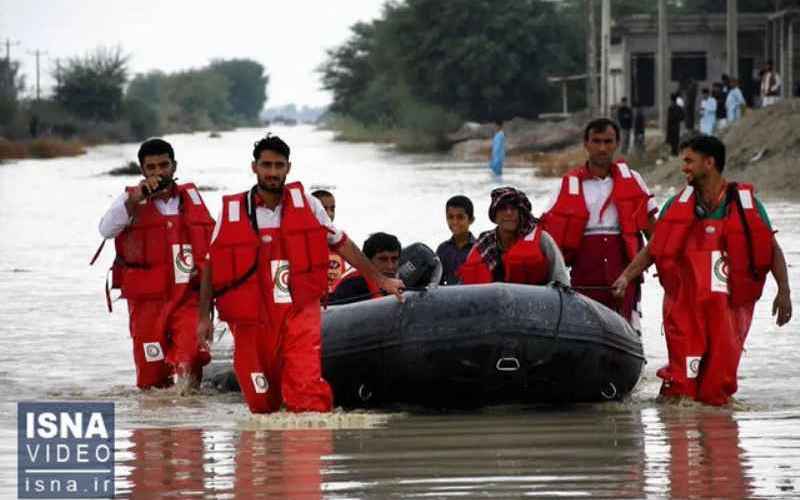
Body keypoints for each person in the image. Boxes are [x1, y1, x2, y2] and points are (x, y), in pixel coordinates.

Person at [197, 134, 404, 414]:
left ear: (288, 168)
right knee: (261, 403)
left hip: (299, 310)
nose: (272, 172)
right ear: (254, 167)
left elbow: (342, 243)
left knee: (306, 391)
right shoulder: (233, 211)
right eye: (266, 165)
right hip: (253, 319)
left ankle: (307, 451)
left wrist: (381, 280)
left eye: (278, 166)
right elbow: (211, 263)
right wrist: (203, 317)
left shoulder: (309, 205)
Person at [612, 135, 792, 406]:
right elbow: (654, 248)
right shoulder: (677, 205)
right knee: (681, 386)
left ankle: (718, 437)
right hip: (685, 307)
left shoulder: (746, 205)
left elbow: (773, 249)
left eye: (689, 161)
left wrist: (784, 292)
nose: (683, 167)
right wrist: (627, 276)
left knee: (716, 388)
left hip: (728, 309)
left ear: (709, 163)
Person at [97, 138, 215, 392]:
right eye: (151, 167)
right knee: (151, 380)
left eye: (164, 165)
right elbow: (105, 230)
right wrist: (135, 198)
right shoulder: (129, 202)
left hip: (187, 298)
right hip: (147, 304)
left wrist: (210, 309)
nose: (158, 172)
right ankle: (155, 428)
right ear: (142, 170)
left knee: (191, 358)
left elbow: (212, 248)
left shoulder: (191, 199)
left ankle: (190, 423)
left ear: (174, 167)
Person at [540, 118, 657, 326]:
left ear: (617, 143)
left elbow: (656, 237)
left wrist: (630, 276)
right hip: (583, 281)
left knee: (629, 334)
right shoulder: (566, 185)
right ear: (586, 144)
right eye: (596, 141)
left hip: (624, 277)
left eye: (608, 141)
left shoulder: (635, 180)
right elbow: (545, 241)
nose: (602, 148)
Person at [459, 186, 569, 286]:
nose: (508, 213)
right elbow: (464, 288)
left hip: (535, 305)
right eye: (502, 208)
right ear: (495, 216)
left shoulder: (542, 240)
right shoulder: (483, 244)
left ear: (522, 214)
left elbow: (561, 282)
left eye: (514, 208)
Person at [330, 232, 401, 304]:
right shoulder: (351, 286)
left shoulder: (401, 283)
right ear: (367, 261)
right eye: (383, 260)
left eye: (394, 259)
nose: (390, 266)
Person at [311, 189, 347, 292]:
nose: (329, 214)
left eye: (332, 209)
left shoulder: (339, 243)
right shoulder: (302, 242)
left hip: (336, 301)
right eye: (324, 209)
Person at [436, 195, 476, 285]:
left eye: (460, 217)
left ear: (471, 220)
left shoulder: (480, 249)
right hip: (448, 298)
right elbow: (437, 282)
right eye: (450, 217)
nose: (455, 222)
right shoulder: (443, 249)